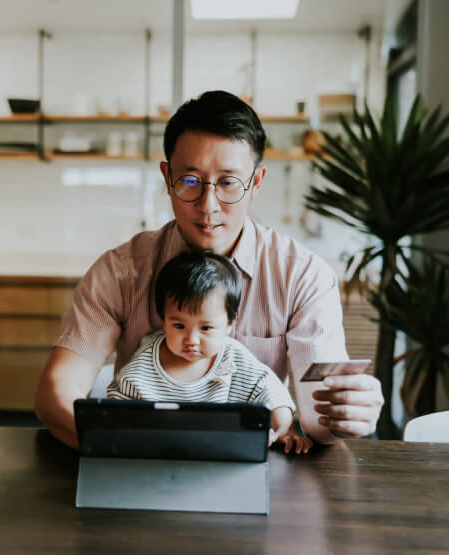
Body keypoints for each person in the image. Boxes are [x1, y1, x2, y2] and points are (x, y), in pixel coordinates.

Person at [35, 90, 384, 450]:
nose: (208, 206)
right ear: (167, 177)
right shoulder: (119, 272)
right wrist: (122, 448)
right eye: (190, 181)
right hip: (139, 464)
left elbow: (317, 418)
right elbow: (55, 392)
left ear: (257, 182)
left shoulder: (303, 276)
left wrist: (346, 412)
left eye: (229, 182)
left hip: (255, 465)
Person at [107, 250, 312, 454]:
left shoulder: (233, 358)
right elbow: (114, 411)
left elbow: (269, 389)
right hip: (160, 457)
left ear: (229, 323)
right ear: (163, 319)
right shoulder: (143, 367)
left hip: (225, 456)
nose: (192, 340)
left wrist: (285, 428)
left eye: (206, 328)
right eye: (179, 326)